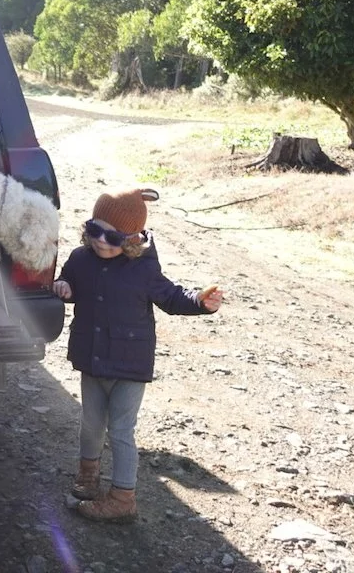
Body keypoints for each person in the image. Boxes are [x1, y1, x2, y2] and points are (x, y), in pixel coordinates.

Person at [51, 188, 224, 523]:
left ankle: (122, 497)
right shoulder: (80, 259)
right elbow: (68, 282)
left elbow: (172, 297)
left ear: (130, 239)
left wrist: (200, 302)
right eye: (94, 230)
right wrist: (63, 286)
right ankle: (88, 478)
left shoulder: (143, 269)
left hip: (129, 364)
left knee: (120, 430)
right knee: (90, 424)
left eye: (111, 236)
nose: (101, 241)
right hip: (92, 358)